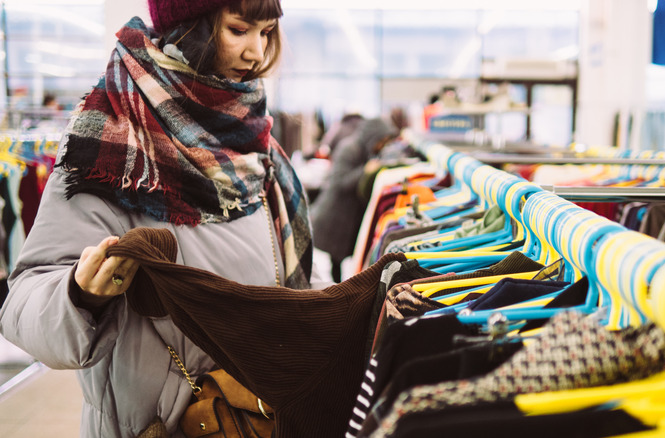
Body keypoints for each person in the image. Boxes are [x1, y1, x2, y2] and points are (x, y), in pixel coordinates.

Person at [0, 0, 321, 436]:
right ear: (188, 26)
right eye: (239, 29)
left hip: (256, 414)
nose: (256, 53)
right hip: (164, 424)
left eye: (266, 33)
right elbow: (23, 300)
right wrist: (80, 294)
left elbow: (290, 266)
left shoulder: (252, 137)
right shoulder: (112, 137)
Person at [311, 118, 397, 282]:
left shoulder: (366, 150)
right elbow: (339, 181)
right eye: (382, 140)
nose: (383, 145)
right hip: (334, 216)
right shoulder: (349, 148)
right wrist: (365, 171)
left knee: (342, 261)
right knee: (335, 262)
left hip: (347, 218)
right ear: (373, 137)